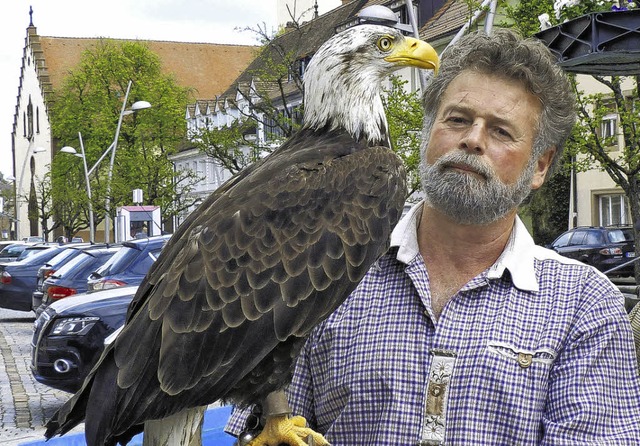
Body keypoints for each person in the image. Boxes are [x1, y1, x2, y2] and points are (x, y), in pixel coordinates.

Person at [227, 29, 640, 444]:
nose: (472, 139)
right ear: (428, 134)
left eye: (500, 131)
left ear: (540, 167)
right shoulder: (323, 266)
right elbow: (266, 430)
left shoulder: (585, 307)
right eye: (457, 119)